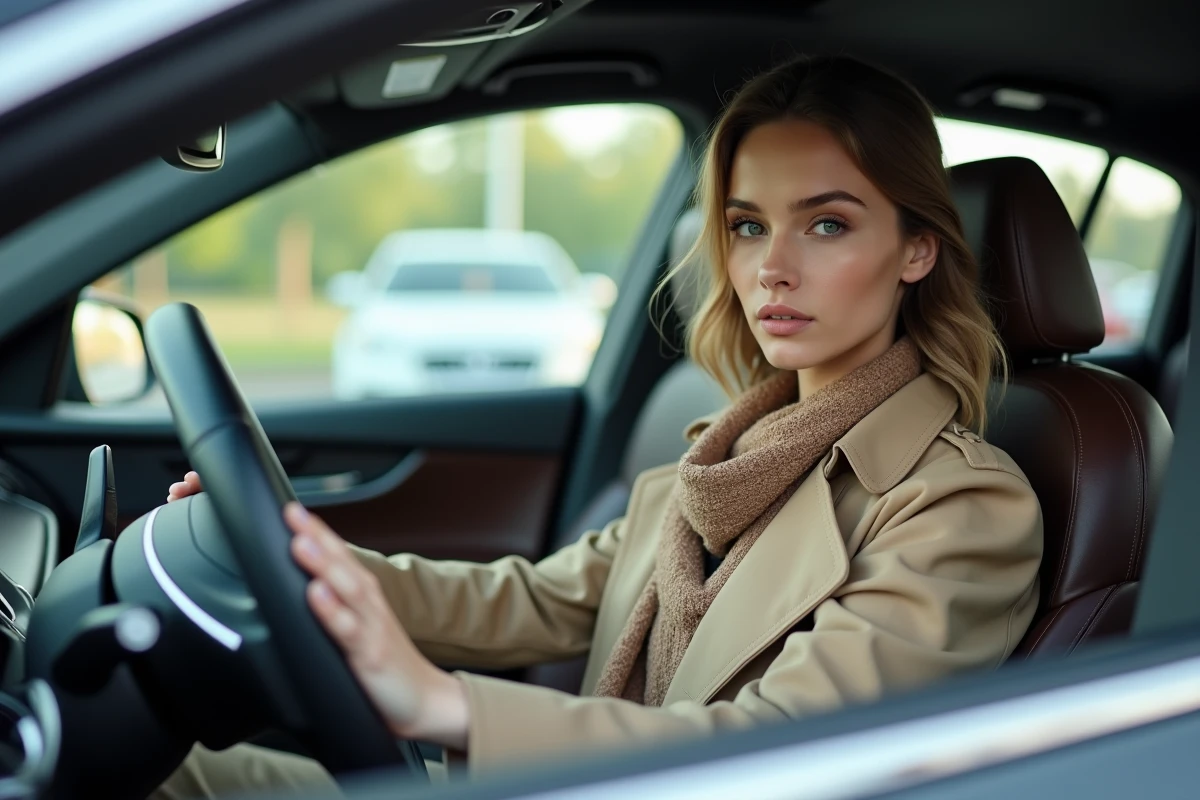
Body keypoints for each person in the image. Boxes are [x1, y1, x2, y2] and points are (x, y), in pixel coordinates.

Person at [152, 54, 1043, 798]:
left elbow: (784, 753)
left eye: (826, 223)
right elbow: (539, 600)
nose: (771, 267)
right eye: (746, 225)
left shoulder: (961, 505)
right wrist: (301, 560)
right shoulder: (720, 459)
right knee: (164, 769)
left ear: (917, 249)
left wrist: (446, 707)